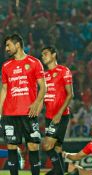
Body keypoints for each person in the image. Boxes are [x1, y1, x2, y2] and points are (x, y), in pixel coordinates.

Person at [0, 33, 46, 175]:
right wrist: (0, 112)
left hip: (28, 113)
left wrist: (37, 103)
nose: (6, 49)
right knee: (12, 146)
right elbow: (4, 90)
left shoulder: (34, 62)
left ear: (17, 44)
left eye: (8, 45)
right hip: (10, 113)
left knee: (33, 146)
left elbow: (43, 87)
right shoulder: (6, 66)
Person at [41, 46, 73, 175]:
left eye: (46, 53)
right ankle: (60, 171)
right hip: (49, 116)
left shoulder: (63, 70)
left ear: (54, 55)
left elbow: (70, 94)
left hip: (60, 116)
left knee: (47, 146)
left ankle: (59, 170)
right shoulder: (44, 75)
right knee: (57, 148)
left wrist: (59, 113)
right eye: (42, 54)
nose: (43, 56)